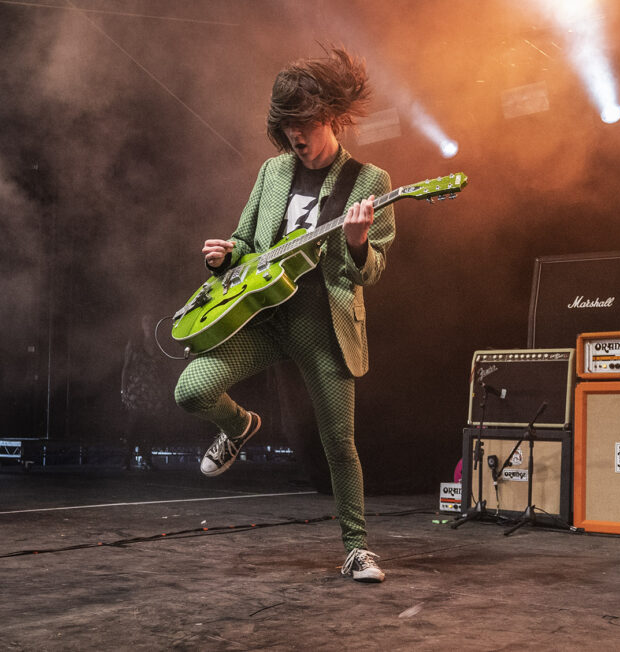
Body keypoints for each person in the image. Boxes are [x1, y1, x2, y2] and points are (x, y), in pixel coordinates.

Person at [174, 45, 395, 583]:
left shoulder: (369, 182)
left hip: (323, 322)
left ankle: (356, 547)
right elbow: (248, 241)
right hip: (265, 317)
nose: (297, 136)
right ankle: (239, 426)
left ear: (333, 118)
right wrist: (226, 255)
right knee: (191, 390)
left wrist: (359, 242)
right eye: (288, 126)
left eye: (306, 125)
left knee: (338, 441)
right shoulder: (273, 171)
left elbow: (369, 272)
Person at [121, 313, 162, 471]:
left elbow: (161, 368)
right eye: (146, 321)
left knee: (149, 426)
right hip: (136, 390)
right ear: (141, 324)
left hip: (152, 390)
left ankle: (147, 459)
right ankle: (126, 459)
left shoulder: (157, 344)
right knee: (134, 424)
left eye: (151, 321)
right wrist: (123, 390)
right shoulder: (134, 344)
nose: (149, 324)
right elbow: (126, 368)